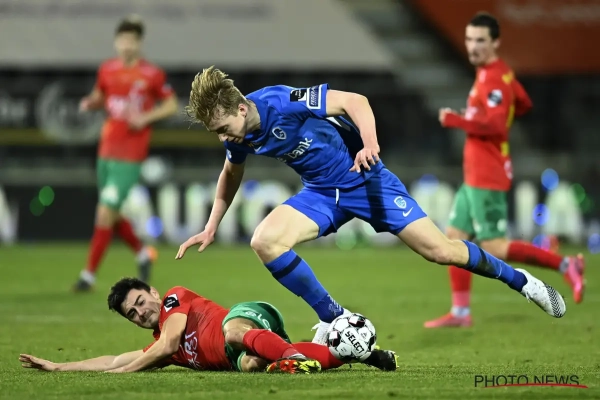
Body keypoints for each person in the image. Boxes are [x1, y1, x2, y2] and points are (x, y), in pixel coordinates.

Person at [175, 66, 567, 345]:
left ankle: (523, 282)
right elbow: (231, 173)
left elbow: (354, 101)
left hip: (366, 180)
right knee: (265, 241)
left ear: (242, 109)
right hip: (321, 194)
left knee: (441, 251)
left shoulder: (283, 102)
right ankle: (336, 318)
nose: (223, 137)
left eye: (222, 128)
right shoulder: (238, 136)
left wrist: (370, 145)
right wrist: (211, 225)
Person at [425, 12, 585, 328]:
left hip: (488, 174)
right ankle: (461, 312)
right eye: (469, 39)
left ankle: (566, 264)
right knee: (454, 238)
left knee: (494, 246)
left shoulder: (495, 78)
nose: (473, 46)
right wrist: (484, 115)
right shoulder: (498, 74)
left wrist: (459, 120)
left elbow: (498, 124)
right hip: (475, 174)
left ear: (495, 42)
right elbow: (523, 102)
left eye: (480, 40)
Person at [19, 278, 398, 374]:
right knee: (252, 364)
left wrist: (123, 374)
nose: (140, 313)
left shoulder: (173, 299)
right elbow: (116, 360)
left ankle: (297, 358)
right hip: (242, 352)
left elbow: (168, 345)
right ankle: (357, 354)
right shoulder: (160, 345)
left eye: (139, 302)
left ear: (152, 293)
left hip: (246, 316)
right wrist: (59, 367)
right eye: (132, 314)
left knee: (233, 331)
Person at [73, 15, 179, 291]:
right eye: (123, 40)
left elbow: (171, 105)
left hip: (130, 155)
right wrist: (90, 103)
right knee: (112, 213)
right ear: (116, 42)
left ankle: (88, 275)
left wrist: (145, 118)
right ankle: (142, 253)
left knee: (104, 212)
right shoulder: (107, 70)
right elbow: (101, 96)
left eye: (132, 40)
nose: (127, 45)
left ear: (139, 43)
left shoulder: (151, 74)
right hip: (106, 151)